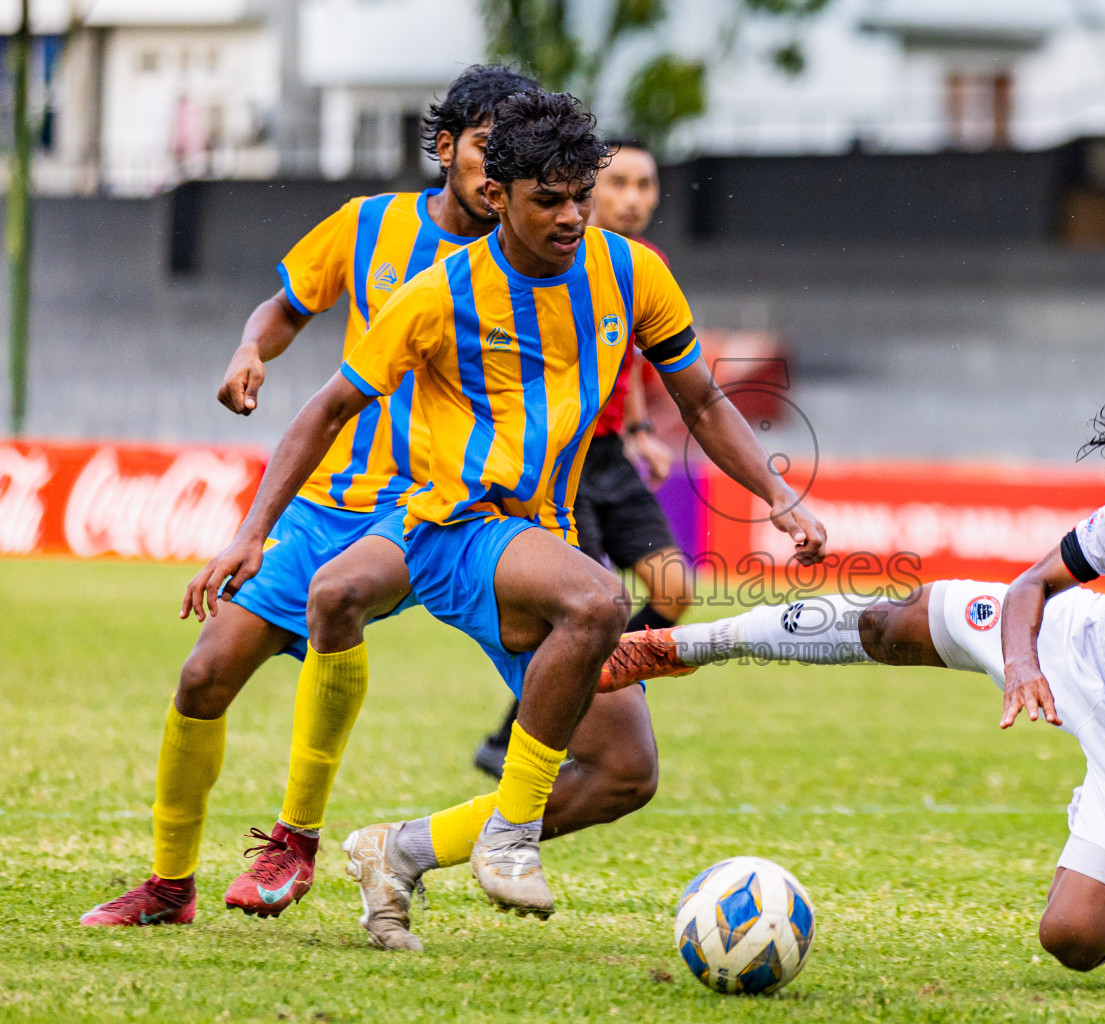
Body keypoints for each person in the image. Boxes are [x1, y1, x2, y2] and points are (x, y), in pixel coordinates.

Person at [182, 90, 826, 951]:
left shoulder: (632, 272)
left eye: (580, 197)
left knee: (624, 774)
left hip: (541, 535)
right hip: (451, 526)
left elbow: (703, 399)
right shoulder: (438, 293)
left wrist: (778, 495)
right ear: (498, 197)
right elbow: (327, 409)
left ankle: (397, 851)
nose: (570, 217)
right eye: (547, 200)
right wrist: (251, 530)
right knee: (599, 601)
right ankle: (508, 835)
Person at [602, 323, 1105, 1009]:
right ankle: (686, 646)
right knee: (885, 623)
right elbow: (1033, 587)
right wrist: (1022, 664)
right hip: (1078, 642)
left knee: (1074, 939)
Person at [80, 64, 540, 929]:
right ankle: (170, 891)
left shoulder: (533, 263)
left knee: (342, 601)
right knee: (203, 676)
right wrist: (251, 350)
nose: (503, 171)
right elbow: (284, 303)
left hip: (440, 510)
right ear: (444, 147)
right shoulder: (370, 226)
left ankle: (297, 838)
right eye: (489, 149)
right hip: (330, 501)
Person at [473, 136, 694, 778]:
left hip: (610, 456)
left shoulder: (642, 264)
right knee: (591, 604)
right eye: (618, 183)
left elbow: (627, 360)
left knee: (675, 591)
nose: (632, 199)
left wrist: (640, 427)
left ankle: (569, 708)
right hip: (556, 462)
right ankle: (537, 733)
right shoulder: (550, 261)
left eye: (645, 185)